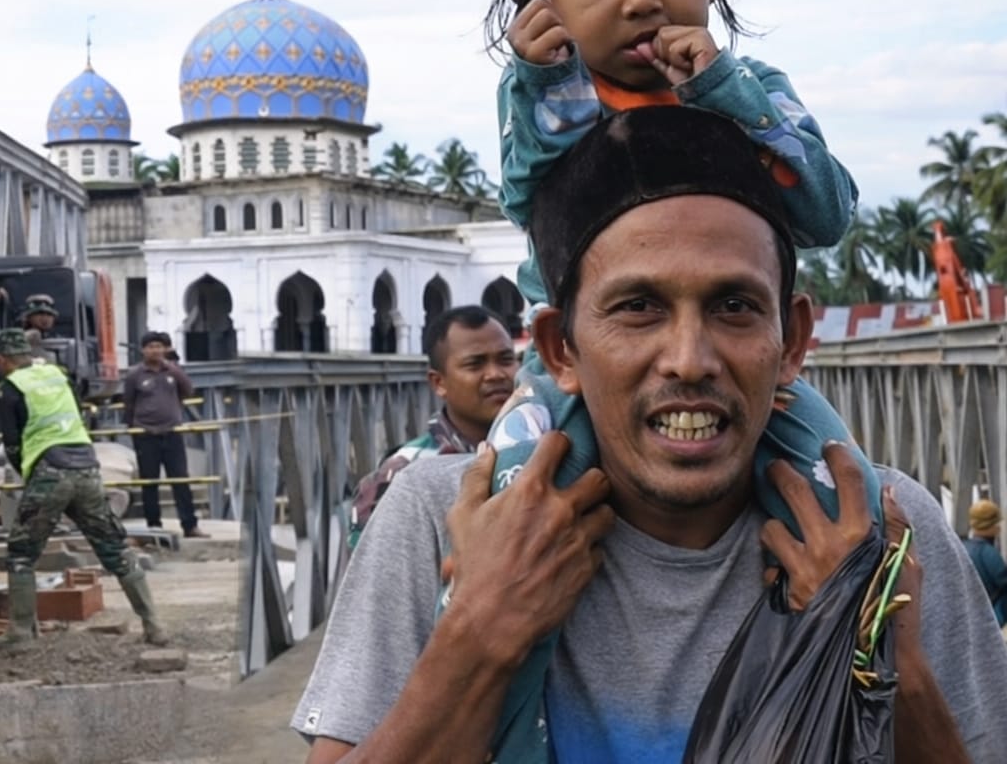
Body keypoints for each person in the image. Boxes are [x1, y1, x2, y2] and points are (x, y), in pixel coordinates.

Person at [293, 105, 1007, 762]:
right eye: (638, 307)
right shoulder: (441, 521)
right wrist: (478, 632)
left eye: (733, 306)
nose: (690, 360)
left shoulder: (885, 536)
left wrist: (884, 655)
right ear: (561, 349)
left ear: (790, 341)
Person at [485, 0, 880, 536]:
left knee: (848, 495)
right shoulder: (540, 90)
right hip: (576, 375)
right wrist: (547, 80)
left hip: (746, 374)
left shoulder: (753, 87)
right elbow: (532, 201)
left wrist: (723, 94)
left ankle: (840, 647)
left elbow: (827, 213)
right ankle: (504, 658)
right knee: (509, 516)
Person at [0, 329, 168, 649]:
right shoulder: (58, 375)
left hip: (49, 471)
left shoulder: (9, 389)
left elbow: (14, 445)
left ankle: (20, 634)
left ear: (3, 360)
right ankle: (154, 626)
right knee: (114, 549)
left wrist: (32, 479)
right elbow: (78, 417)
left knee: (21, 553)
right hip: (87, 467)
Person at [348, 306, 516, 550]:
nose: (496, 374)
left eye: (506, 360)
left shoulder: (541, 448)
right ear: (439, 383)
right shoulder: (401, 474)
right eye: (475, 364)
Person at [123, 332, 207, 539]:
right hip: (145, 434)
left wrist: (173, 368)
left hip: (172, 433)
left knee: (180, 479)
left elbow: (188, 390)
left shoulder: (172, 372)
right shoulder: (135, 375)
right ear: (143, 350)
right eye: (151, 347)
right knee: (149, 482)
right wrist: (133, 428)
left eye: (159, 347)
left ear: (165, 349)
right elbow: (129, 403)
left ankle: (190, 525)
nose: (155, 351)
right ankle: (154, 526)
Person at [964, 499, 1007, 625]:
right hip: (992, 615)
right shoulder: (988, 553)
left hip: (970, 613)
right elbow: (1003, 581)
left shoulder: (964, 548)